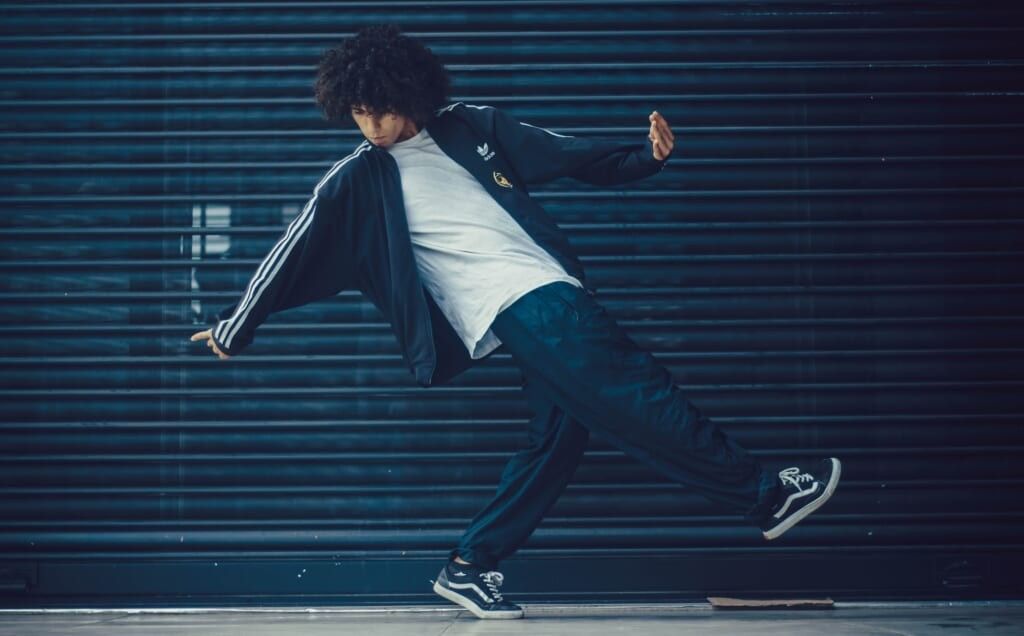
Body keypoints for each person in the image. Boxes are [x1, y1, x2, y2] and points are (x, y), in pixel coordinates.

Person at [189, 24, 841, 620]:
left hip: (545, 291)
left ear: (411, 93)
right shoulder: (357, 179)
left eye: (384, 108)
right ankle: (765, 495)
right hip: (516, 303)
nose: (375, 125)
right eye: (359, 112)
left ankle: (470, 565)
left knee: (557, 441)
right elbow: (290, 250)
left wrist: (645, 157)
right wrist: (233, 327)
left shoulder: (468, 125)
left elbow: (569, 154)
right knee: (637, 390)